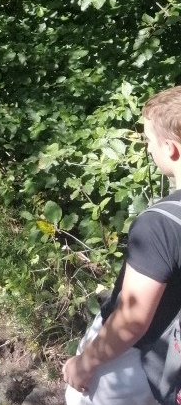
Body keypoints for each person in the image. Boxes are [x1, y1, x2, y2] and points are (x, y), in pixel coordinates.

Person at [63, 85, 181, 405]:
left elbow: (132, 320)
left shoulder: (161, 224)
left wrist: (84, 364)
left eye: (149, 140)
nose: (148, 148)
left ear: (171, 148)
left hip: (141, 362)